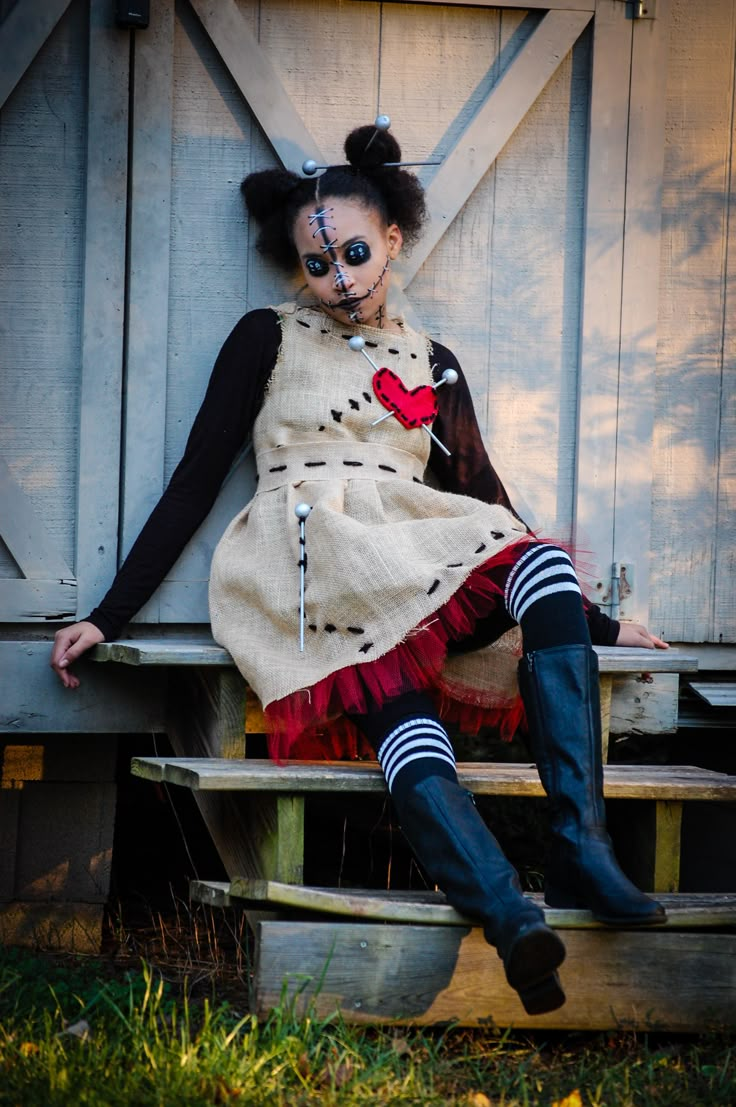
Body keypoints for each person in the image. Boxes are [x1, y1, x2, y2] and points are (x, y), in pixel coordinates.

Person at [51, 122, 668, 1015]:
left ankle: (572, 852)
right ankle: (508, 904)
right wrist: (109, 614)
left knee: (535, 564)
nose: (338, 277)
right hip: (311, 554)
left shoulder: (434, 362)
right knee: (399, 704)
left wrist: (604, 625)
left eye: (351, 252)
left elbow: (487, 499)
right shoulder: (267, 336)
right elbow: (194, 479)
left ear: (392, 239)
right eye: (316, 263)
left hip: (413, 544)